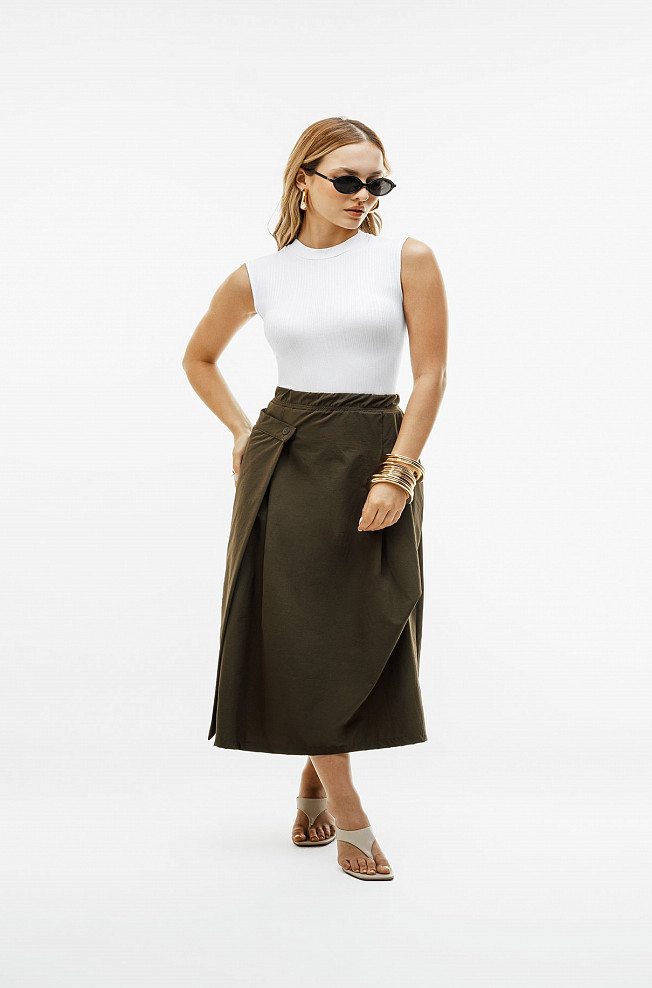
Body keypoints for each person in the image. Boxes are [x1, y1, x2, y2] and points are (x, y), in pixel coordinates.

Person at [181, 116, 448, 881]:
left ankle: (312, 776)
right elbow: (199, 358)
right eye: (347, 180)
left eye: (377, 182)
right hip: (288, 456)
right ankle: (349, 808)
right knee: (302, 629)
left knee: (367, 621)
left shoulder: (406, 258)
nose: (364, 196)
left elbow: (429, 375)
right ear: (304, 180)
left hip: (375, 449)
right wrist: (242, 429)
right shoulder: (261, 276)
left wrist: (399, 470)